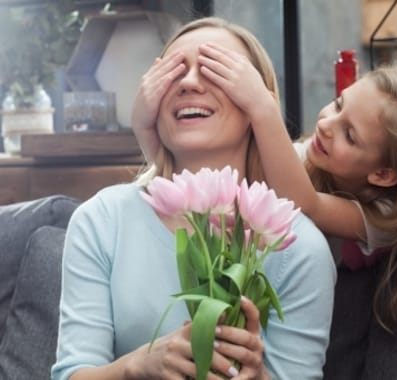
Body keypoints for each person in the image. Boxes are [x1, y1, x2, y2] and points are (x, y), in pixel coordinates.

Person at [51, 17, 336, 380]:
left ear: (258, 105)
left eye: (216, 69)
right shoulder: (102, 220)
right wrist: (137, 366)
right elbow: (71, 374)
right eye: (172, 72)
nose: (188, 82)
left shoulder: (297, 246)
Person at [133, 40, 397, 331]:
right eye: (338, 103)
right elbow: (182, 177)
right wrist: (145, 125)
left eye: (350, 134)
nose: (326, 124)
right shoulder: (312, 156)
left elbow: (305, 203)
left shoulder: (385, 216)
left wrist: (261, 106)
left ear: (384, 174)